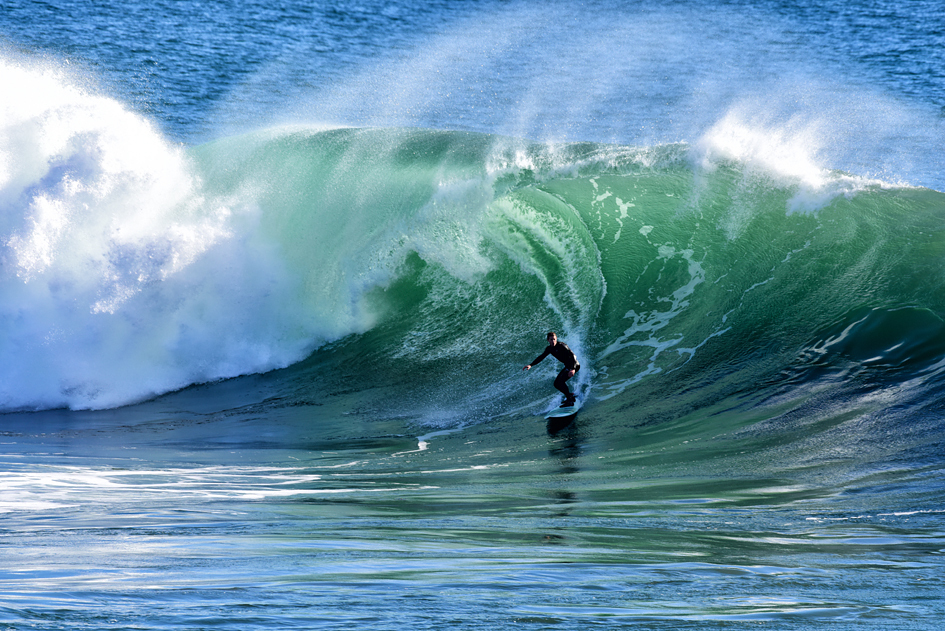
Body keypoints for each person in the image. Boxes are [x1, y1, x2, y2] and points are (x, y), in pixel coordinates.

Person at [523, 331, 580, 406]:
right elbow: (541, 357)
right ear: (548, 340)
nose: (553, 341)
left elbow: (573, 356)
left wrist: (572, 369)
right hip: (568, 366)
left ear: (556, 339)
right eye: (551, 339)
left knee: (559, 382)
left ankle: (570, 399)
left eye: (554, 339)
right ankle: (570, 396)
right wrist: (531, 365)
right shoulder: (549, 349)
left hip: (574, 365)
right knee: (557, 384)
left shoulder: (562, 345)